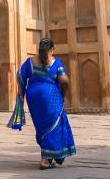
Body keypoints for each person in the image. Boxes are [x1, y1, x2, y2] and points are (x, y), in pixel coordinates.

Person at [10, 37, 76, 169]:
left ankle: (50, 156)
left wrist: (21, 96)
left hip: (33, 97)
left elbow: (20, 76)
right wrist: (63, 94)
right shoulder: (56, 63)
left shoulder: (30, 62)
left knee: (42, 127)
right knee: (53, 127)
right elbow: (65, 81)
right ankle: (45, 159)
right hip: (50, 97)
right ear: (52, 50)